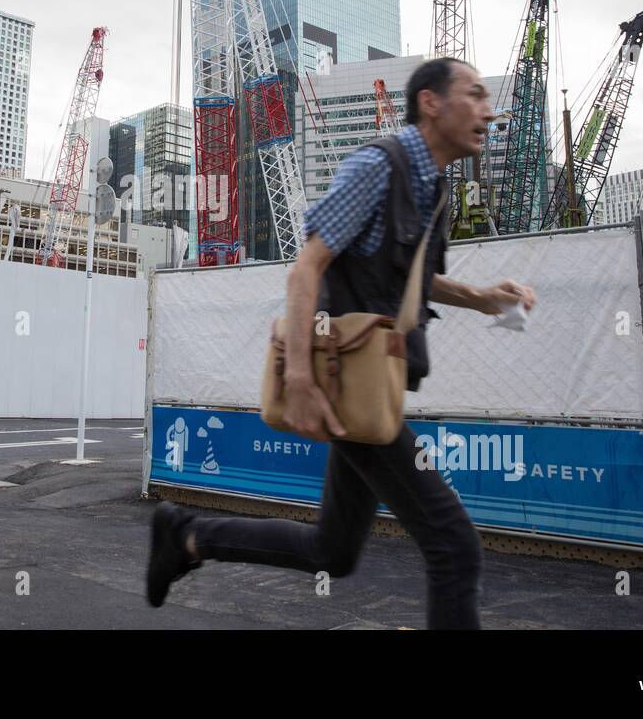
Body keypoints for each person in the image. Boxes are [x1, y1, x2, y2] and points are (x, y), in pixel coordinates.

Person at [146, 57, 538, 629]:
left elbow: (407, 279)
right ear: (431, 102)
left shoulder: (432, 187)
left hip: (373, 387)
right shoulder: (380, 167)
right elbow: (306, 267)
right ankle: (185, 535)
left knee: (334, 551)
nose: (488, 108)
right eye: (475, 94)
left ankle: (188, 537)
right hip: (344, 381)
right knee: (455, 545)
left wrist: (482, 297)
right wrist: (301, 378)